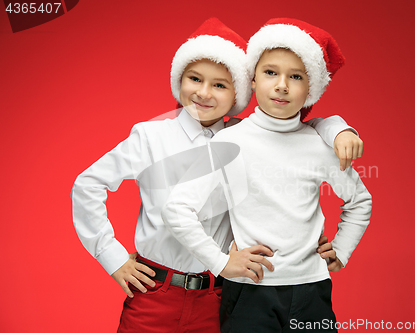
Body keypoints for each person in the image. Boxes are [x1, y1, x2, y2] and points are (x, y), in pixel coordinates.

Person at [72, 18, 363, 333]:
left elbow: (300, 129)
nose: (204, 93)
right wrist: (111, 256)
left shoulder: (244, 136)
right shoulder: (151, 136)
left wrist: (339, 128)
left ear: (239, 90)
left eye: (220, 85)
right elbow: (88, 184)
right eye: (194, 78)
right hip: (156, 291)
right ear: (178, 78)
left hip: (219, 296)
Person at [162, 18, 372, 332]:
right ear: (254, 78)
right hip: (250, 291)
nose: (282, 85)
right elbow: (176, 208)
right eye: (271, 72)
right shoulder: (230, 142)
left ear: (311, 89)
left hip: (311, 289)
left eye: (296, 76)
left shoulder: (319, 146)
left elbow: (359, 202)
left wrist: (341, 250)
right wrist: (221, 263)